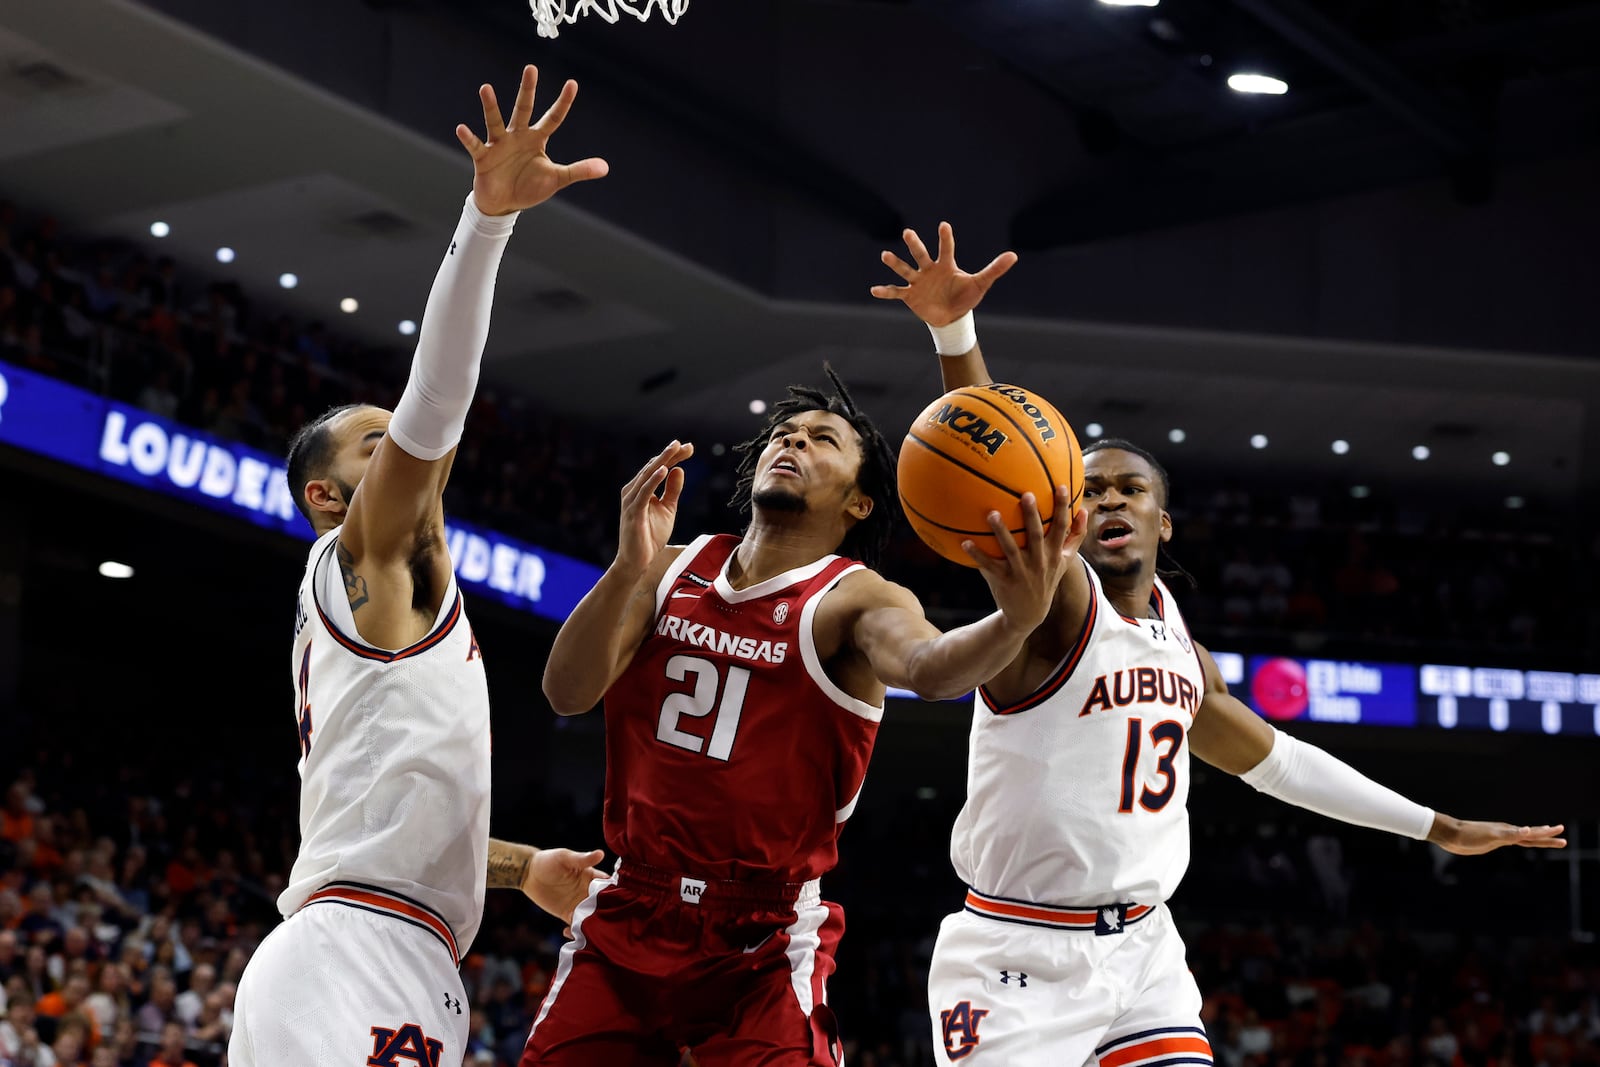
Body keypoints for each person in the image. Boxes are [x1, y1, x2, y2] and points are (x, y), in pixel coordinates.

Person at [871, 222, 1569, 1066]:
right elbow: (998, 458)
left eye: (1132, 486)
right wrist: (956, 335)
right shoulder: (1057, 601)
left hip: (1143, 953)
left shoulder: (1180, 646)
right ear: (1070, 513)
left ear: (1164, 521)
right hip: (1020, 954)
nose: (1111, 498)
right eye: (1090, 489)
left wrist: (1438, 824)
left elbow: (1281, 763)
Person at [524, 364, 1087, 1064]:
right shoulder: (670, 565)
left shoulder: (855, 598)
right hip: (632, 905)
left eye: (824, 440)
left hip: (763, 934)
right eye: (784, 435)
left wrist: (1013, 621)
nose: (793, 443)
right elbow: (566, 691)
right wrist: (626, 566)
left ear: (858, 503)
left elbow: (929, 668)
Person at [227, 65, 608, 1067]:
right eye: (373, 442)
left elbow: (389, 824)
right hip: (356, 954)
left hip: (386, 947)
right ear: (328, 495)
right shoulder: (364, 550)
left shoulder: (392, 602)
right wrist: (487, 223)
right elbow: (439, 392)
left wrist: (526, 871)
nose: (398, 443)